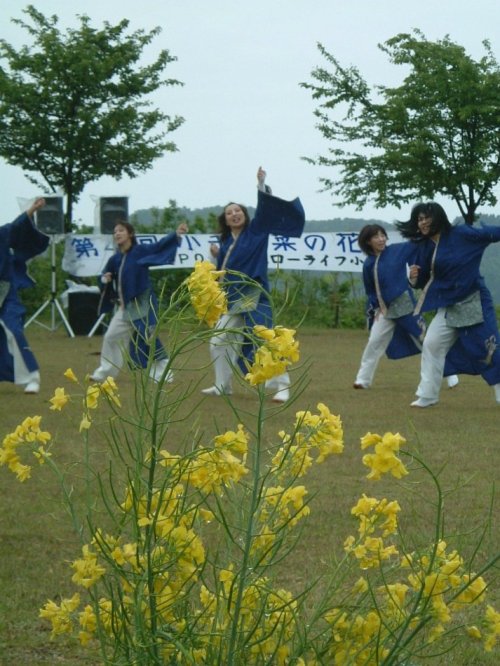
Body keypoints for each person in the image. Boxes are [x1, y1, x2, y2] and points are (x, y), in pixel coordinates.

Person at [201, 167, 305, 403]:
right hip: (233, 298)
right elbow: (220, 273)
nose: (234, 214)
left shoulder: (256, 231)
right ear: (225, 220)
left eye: (238, 211)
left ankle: (282, 387)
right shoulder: (225, 243)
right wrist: (215, 257)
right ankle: (222, 385)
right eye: (229, 213)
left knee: (264, 340)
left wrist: (261, 184)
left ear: (245, 216)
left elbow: (265, 211)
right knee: (218, 341)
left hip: (253, 294)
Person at [397, 202, 500, 407]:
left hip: (474, 301)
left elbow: (491, 233)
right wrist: (413, 279)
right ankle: (427, 395)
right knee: (432, 344)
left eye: (427, 217)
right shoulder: (425, 247)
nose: (423, 222)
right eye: (419, 219)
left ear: (438, 218)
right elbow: (424, 279)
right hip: (448, 306)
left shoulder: (462, 233)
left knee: (490, 347)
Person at [353, 224, 459, 390]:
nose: (381, 239)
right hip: (385, 312)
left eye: (383, 235)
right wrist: (375, 308)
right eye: (376, 237)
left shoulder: (396, 251)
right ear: (367, 241)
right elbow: (371, 290)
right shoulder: (368, 264)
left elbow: (416, 245)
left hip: (406, 308)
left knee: (427, 341)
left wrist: (427, 230)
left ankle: (451, 374)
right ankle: (362, 380)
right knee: (374, 342)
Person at [90, 219, 188, 384]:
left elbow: (158, 247)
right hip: (125, 308)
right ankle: (105, 373)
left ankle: (163, 375)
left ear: (131, 234)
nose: (117, 234)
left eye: (121, 230)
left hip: (142, 304)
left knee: (149, 337)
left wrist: (175, 235)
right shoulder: (115, 259)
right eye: (115, 232)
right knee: (110, 337)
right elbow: (105, 275)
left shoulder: (140, 251)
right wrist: (105, 278)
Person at [0, 198, 49, 394]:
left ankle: (32, 376)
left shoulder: (2, 234)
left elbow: (16, 226)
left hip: (5, 292)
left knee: (13, 329)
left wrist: (32, 210)